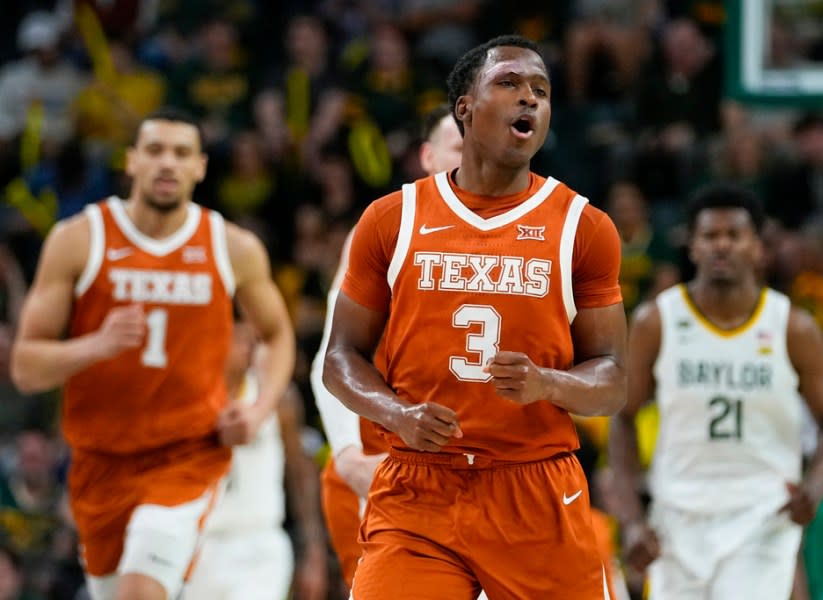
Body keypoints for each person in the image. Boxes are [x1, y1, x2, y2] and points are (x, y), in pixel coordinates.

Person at [323, 35, 627, 599]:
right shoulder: (393, 218)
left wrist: (548, 383)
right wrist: (396, 413)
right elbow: (339, 357)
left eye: (541, 90)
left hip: (532, 485)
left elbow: (611, 379)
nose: (529, 100)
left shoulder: (584, 227)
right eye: (509, 84)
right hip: (420, 486)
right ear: (464, 107)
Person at [10, 108, 295, 600]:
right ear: (132, 161)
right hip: (100, 458)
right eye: (156, 150)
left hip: (185, 456)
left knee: (139, 592)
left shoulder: (232, 247)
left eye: (181, 153)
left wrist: (259, 407)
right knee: (111, 590)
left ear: (200, 167)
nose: (168, 163)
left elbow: (277, 334)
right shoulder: (79, 239)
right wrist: (95, 345)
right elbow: (26, 368)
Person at [608, 184, 823, 599]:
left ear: (757, 247)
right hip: (677, 515)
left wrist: (816, 486)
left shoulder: (792, 327)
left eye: (734, 235)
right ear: (693, 246)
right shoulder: (657, 321)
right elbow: (623, 419)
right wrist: (631, 520)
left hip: (760, 515)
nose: (722, 245)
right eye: (710, 236)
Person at [310, 103, 463, 590]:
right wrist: (350, 452)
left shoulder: (531, 231)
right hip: (383, 463)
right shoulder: (387, 227)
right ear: (428, 155)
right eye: (458, 145)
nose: (472, 156)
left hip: (476, 471)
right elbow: (333, 356)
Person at [182, 319, 328, 600]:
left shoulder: (277, 398)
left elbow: (299, 472)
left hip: (258, 541)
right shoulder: (188, 399)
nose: (249, 348)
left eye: (254, 340)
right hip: (198, 542)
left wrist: (313, 547)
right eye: (241, 339)